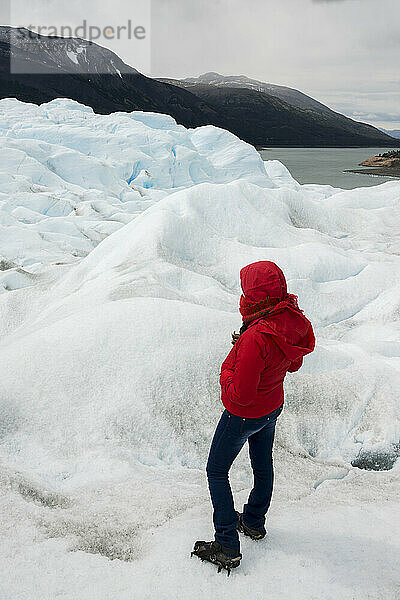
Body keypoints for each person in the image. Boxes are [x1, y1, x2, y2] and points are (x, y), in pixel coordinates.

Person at [191, 261, 315, 574]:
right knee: (262, 464)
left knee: (216, 471)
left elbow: (239, 396)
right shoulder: (290, 319)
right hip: (272, 407)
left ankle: (227, 544)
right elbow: (294, 363)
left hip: (244, 415)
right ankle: (254, 522)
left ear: (253, 296)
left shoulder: (256, 336)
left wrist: (225, 373)